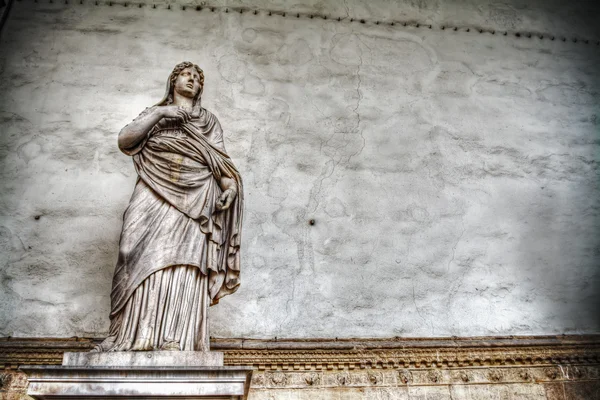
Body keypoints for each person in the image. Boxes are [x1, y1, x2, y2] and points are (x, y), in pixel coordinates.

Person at [94, 61, 243, 352]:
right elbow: (125, 141)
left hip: (197, 198)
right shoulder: (154, 114)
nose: (192, 80)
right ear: (172, 81)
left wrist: (231, 189)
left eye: (197, 79)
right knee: (130, 250)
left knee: (184, 261)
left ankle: (175, 338)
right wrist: (161, 113)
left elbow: (223, 166)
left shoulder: (208, 122)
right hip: (153, 188)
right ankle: (127, 334)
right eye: (186, 75)